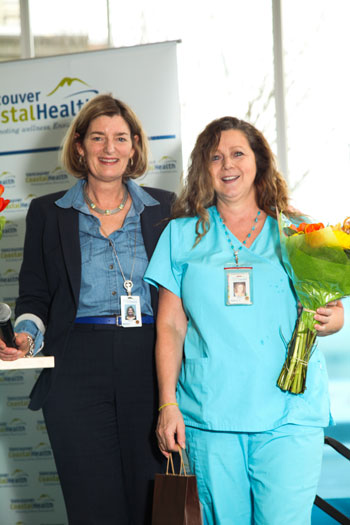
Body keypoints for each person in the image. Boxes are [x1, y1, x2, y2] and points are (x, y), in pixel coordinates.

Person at [144, 116, 344, 525]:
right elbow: (170, 326)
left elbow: (335, 311)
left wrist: (331, 319)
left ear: (259, 162)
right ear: (204, 167)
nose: (227, 164)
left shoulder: (297, 230)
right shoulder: (181, 236)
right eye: (215, 157)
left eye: (238, 153)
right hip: (211, 415)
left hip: (288, 412)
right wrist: (167, 403)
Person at [0, 94, 175, 525]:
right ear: (79, 146)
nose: (109, 148)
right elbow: (36, 295)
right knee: (92, 508)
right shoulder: (47, 212)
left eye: (120, 138)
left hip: (151, 363)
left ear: (134, 146)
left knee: (153, 505)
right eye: (98, 138)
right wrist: (26, 334)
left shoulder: (166, 208)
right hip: (76, 364)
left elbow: (185, 292)